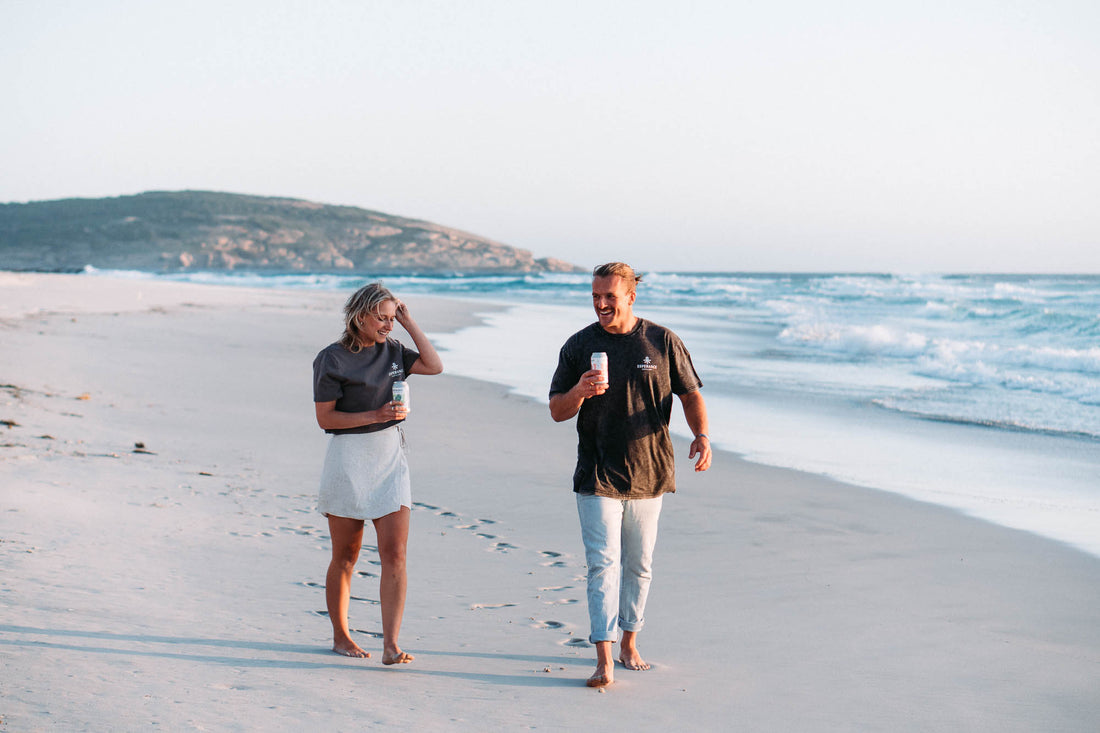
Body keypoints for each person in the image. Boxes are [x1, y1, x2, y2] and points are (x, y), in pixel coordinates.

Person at [549, 262, 711, 688]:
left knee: (639, 566)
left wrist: (702, 435)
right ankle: (603, 657)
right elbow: (556, 411)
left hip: (650, 471)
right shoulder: (579, 345)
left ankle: (629, 642)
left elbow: (690, 392)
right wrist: (580, 392)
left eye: (610, 296)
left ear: (630, 297)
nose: (602, 304)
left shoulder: (661, 341)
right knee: (602, 564)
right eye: (595, 297)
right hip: (597, 472)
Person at [312, 283, 443, 663]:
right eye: (381, 318)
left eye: (391, 318)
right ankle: (341, 636)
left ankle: (390, 644)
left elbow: (435, 366)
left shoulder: (395, 352)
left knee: (395, 554)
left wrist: (408, 321)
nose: (387, 325)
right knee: (346, 556)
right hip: (347, 460)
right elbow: (326, 417)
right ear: (359, 316)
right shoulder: (331, 359)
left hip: (389, 459)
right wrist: (377, 415)